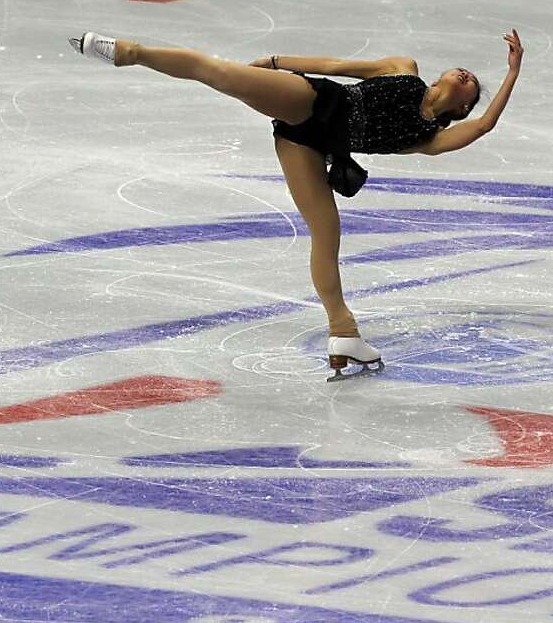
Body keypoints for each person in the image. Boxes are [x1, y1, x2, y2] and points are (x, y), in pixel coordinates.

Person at [70, 27, 523, 381]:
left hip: (307, 143)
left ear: (460, 109)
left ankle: (343, 333)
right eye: (461, 71)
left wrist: (511, 74)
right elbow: (336, 65)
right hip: (313, 101)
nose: (466, 77)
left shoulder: (429, 140)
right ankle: (129, 51)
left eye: (473, 86)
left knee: (326, 233)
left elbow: (485, 126)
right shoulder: (402, 69)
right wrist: (275, 62)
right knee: (222, 73)